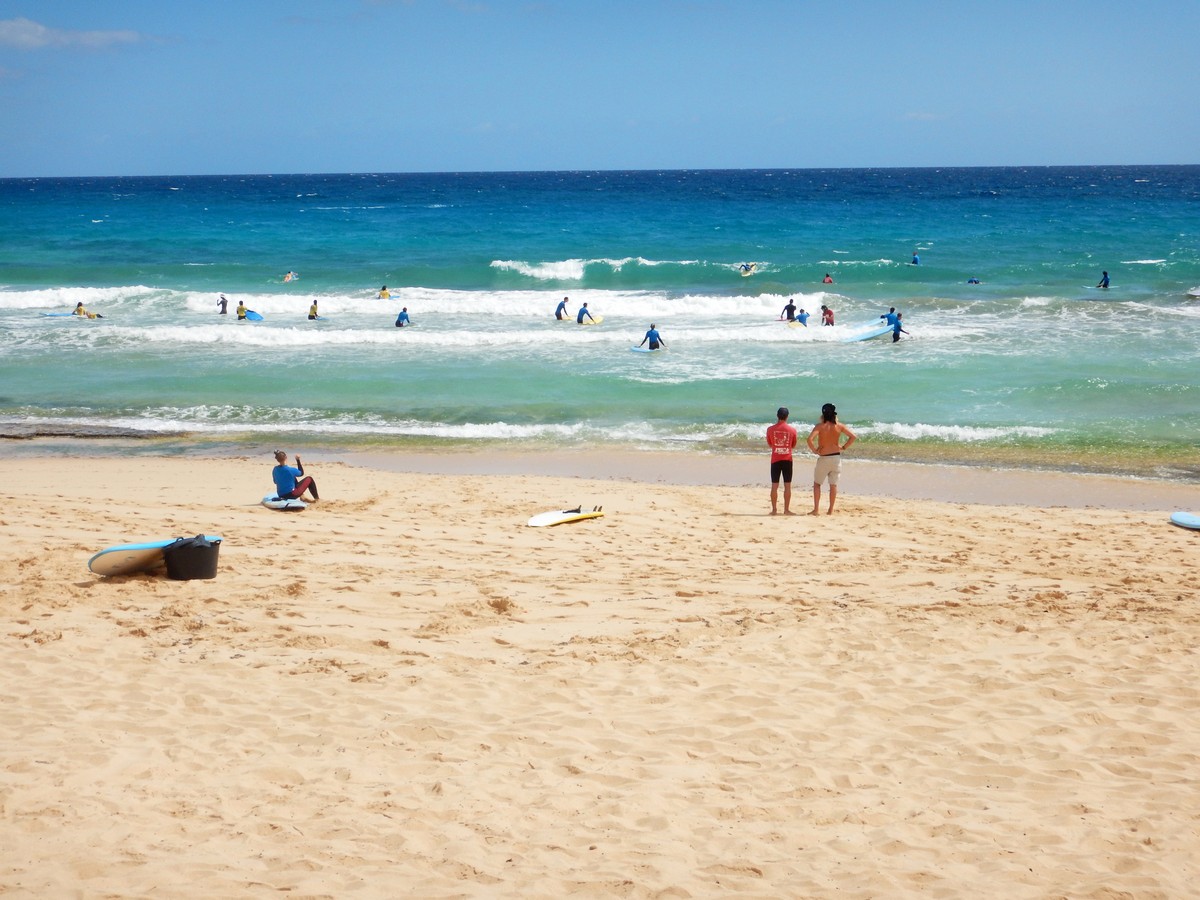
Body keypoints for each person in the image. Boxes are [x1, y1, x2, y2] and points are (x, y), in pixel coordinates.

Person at [806, 402, 857, 515]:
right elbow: (853, 437)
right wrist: (843, 447)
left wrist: (815, 450)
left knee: (817, 484)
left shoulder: (820, 426)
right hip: (836, 458)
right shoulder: (839, 426)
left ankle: (816, 509)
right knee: (833, 485)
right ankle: (830, 510)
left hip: (824, 458)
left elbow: (809, 440)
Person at [766, 407, 799, 515]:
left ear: (777, 416)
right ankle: (786, 509)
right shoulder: (792, 430)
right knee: (787, 486)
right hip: (787, 460)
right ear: (787, 416)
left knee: (774, 486)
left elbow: (770, 444)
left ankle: (774, 510)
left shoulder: (770, 429)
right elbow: (793, 445)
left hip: (775, 460)